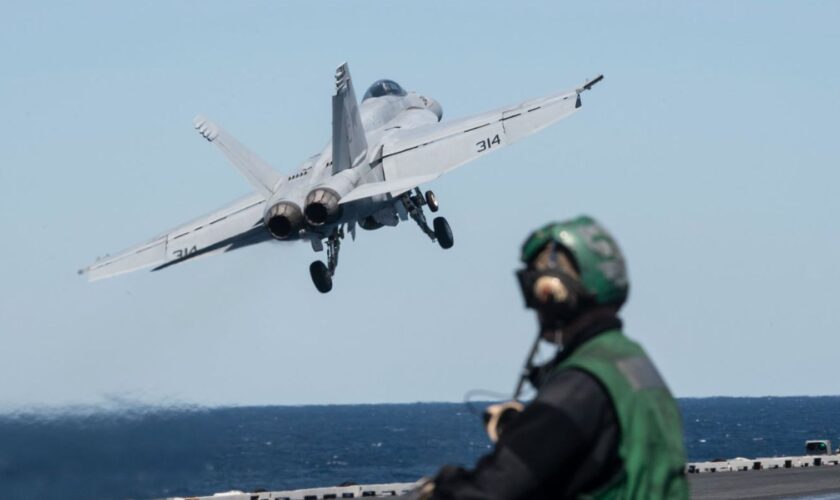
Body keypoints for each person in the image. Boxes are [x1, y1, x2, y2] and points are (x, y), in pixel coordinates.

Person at [414, 215, 689, 499]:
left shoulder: (578, 386)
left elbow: (490, 490)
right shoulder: (634, 363)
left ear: (554, 293)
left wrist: (441, 487)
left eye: (533, 289)